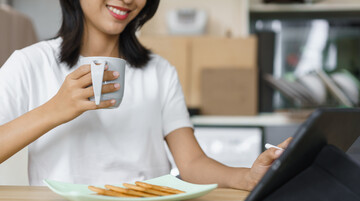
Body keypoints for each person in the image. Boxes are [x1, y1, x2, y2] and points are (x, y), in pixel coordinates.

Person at [0, 0, 291, 189]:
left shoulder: (160, 71)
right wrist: (53, 110)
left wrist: (247, 177)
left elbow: (190, 164)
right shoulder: (29, 64)